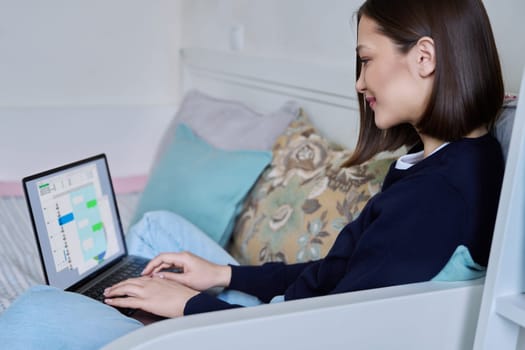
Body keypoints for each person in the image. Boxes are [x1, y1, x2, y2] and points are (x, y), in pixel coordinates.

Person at [0, 0, 505, 348]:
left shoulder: (438, 199)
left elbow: (319, 338)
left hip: (262, 334)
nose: (359, 82)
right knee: (155, 228)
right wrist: (223, 275)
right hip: (280, 313)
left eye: (366, 60)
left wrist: (190, 308)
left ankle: (126, 309)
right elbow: (334, 278)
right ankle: (133, 299)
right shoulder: (450, 163)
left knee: (33, 310)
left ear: (424, 58)